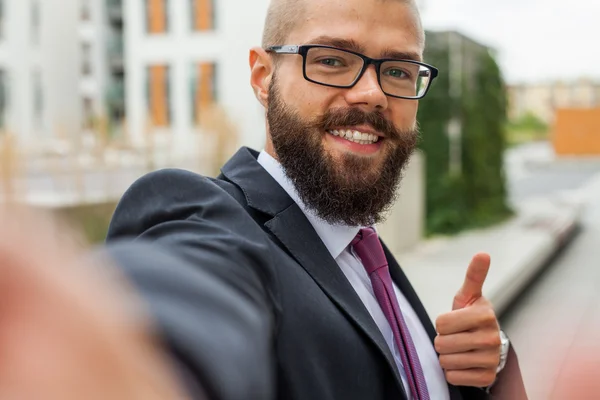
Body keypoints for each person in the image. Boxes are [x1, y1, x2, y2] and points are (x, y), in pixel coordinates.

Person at [0, 0, 528, 399]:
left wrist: (493, 361)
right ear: (262, 76)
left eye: (397, 70)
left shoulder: (362, 249)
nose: (372, 93)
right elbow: (185, 301)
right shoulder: (210, 219)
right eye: (332, 60)